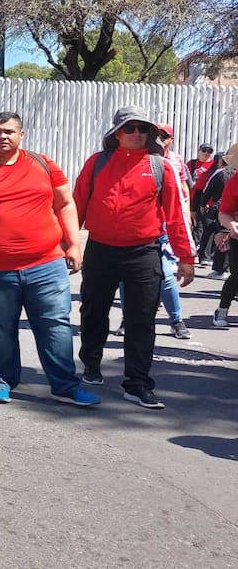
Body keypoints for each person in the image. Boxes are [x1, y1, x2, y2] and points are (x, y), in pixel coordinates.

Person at [0, 112, 99, 407]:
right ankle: (1, 379)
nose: (2, 136)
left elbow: (65, 203)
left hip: (46, 265)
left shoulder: (43, 164)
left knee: (55, 326)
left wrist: (74, 245)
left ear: (21, 134)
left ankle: (65, 386)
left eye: (9, 131)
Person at [73, 107, 193, 410]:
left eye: (142, 128)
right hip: (100, 249)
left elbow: (176, 215)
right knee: (93, 311)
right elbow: (76, 205)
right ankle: (91, 364)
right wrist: (68, 245)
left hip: (143, 252)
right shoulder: (97, 163)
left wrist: (186, 257)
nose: (137, 133)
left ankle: (137, 384)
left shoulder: (160, 167)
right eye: (130, 128)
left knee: (142, 320)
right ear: (117, 133)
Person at [113, 124, 195, 340]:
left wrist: (186, 215)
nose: (160, 139)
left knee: (166, 276)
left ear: (171, 139)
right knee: (125, 278)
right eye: (157, 134)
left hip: (164, 228)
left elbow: (183, 189)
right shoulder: (137, 157)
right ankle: (127, 318)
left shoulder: (173, 161)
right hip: (136, 231)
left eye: (164, 136)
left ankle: (176, 320)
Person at [209, 144, 238, 327]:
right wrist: (231, 226)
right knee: (237, 275)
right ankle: (222, 309)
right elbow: (224, 213)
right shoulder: (234, 183)